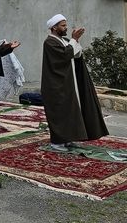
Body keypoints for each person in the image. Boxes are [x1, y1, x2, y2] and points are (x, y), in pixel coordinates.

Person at [41, 14, 108, 151]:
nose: (66, 28)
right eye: (63, 25)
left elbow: (75, 54)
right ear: (54, 27)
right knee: (60, 113)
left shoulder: (64, 40)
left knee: (70, 112)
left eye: (66, 25)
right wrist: (74, 40)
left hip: (68, 83)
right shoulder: (50, 42)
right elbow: (65, 55)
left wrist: (74, 41)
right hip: (56, 85)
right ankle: (57, 142)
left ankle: (68, 139)